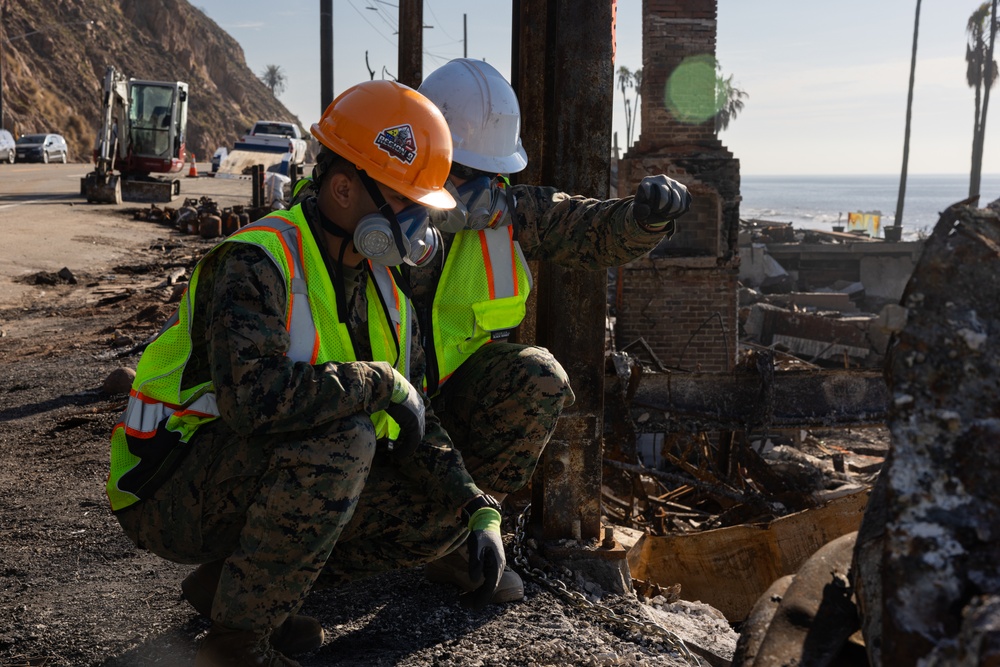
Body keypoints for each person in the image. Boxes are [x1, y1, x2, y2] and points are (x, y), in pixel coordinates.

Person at [107, 80, 508, 667]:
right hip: (168, 482)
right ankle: (236, 647)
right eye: (406, 203)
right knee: (345, 439)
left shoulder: (381, 284)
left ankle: (236, 592)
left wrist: (478, 508)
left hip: (243, 470)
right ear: (344, 189)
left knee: (434, 514)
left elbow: (412, 414)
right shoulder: (257, 260)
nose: (419, 224)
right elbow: (252, 399)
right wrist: (373, 381)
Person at [409, 58, 692, 599]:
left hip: (450, 402)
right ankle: (267, 573)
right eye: (461, 173)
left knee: (537, 377)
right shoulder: (365, 218)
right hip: (376, 401)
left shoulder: (509, 214)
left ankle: (459, 546)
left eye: (491, 176)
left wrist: (644, 218)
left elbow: (589, 227)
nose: (478, 191)